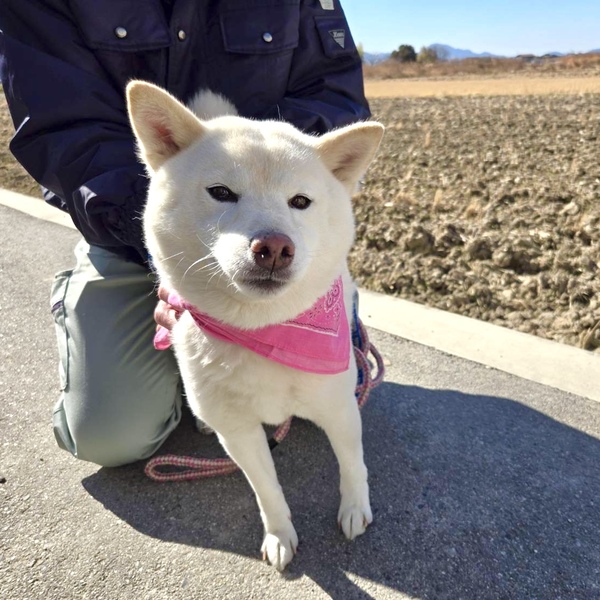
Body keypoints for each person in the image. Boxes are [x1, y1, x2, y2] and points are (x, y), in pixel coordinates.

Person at [0, 0, 371, 467]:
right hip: (128, 227)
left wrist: (282, 184)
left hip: (272, 233)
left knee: (324, 399)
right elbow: (66, 130)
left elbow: (334, 95)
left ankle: (325, 320)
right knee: (110, 436)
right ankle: (94, 316)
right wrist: (170, 261)